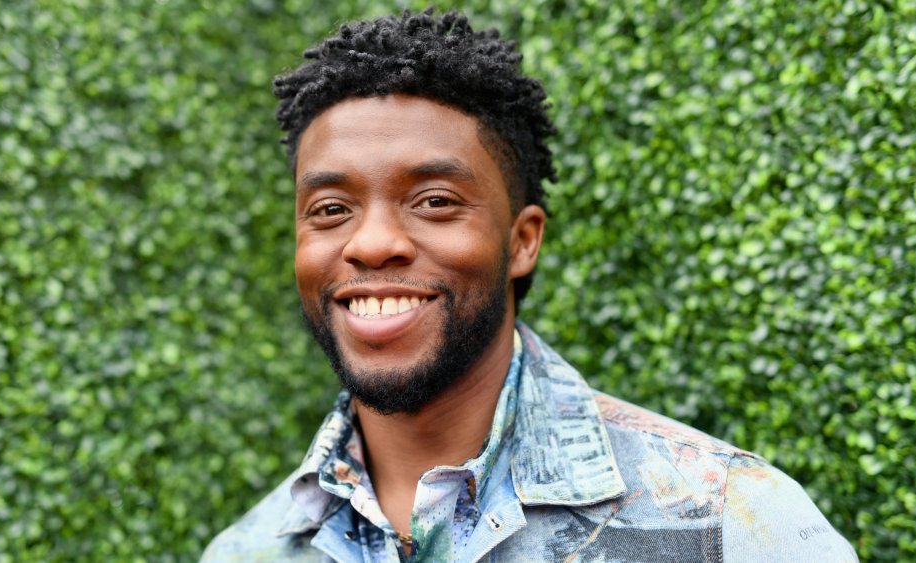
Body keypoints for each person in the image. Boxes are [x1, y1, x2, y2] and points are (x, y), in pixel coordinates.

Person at [202, 9, 857, 562]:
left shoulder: (729, 521)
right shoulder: (247, 550)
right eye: (330, 209)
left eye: (433, 200)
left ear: (521, 241)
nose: (370, 242)